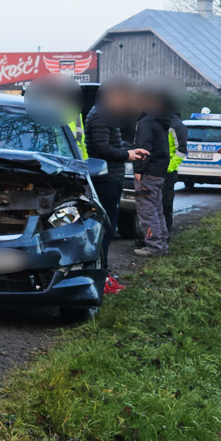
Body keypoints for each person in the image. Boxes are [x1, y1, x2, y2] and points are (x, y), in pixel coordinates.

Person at [85, 78, 148, 292]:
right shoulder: (101, 115)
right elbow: (102, 148)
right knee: (104, 230)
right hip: (106, 179)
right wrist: (127, 155)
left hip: (111, 177)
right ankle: (100, 278)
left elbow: (112, 144)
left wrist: (130, 149)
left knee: (108, 229)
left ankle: (104, 274)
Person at [132, 85, 171, 257]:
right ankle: (161, 244)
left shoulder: (146, 121)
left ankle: (153, 247)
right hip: (159, 171)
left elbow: (144, 148)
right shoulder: (160, 120)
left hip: (147, 172)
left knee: (147, 210)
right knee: (156, 209)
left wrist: (138, 170)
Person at [163, 112, 187, 243]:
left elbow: (181, 150)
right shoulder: (160, 121)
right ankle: (152, 237)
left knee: (165, 205)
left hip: (167, 172)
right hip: (157, 169)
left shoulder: (176, 125)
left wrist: (168, 168)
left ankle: (165, 236)